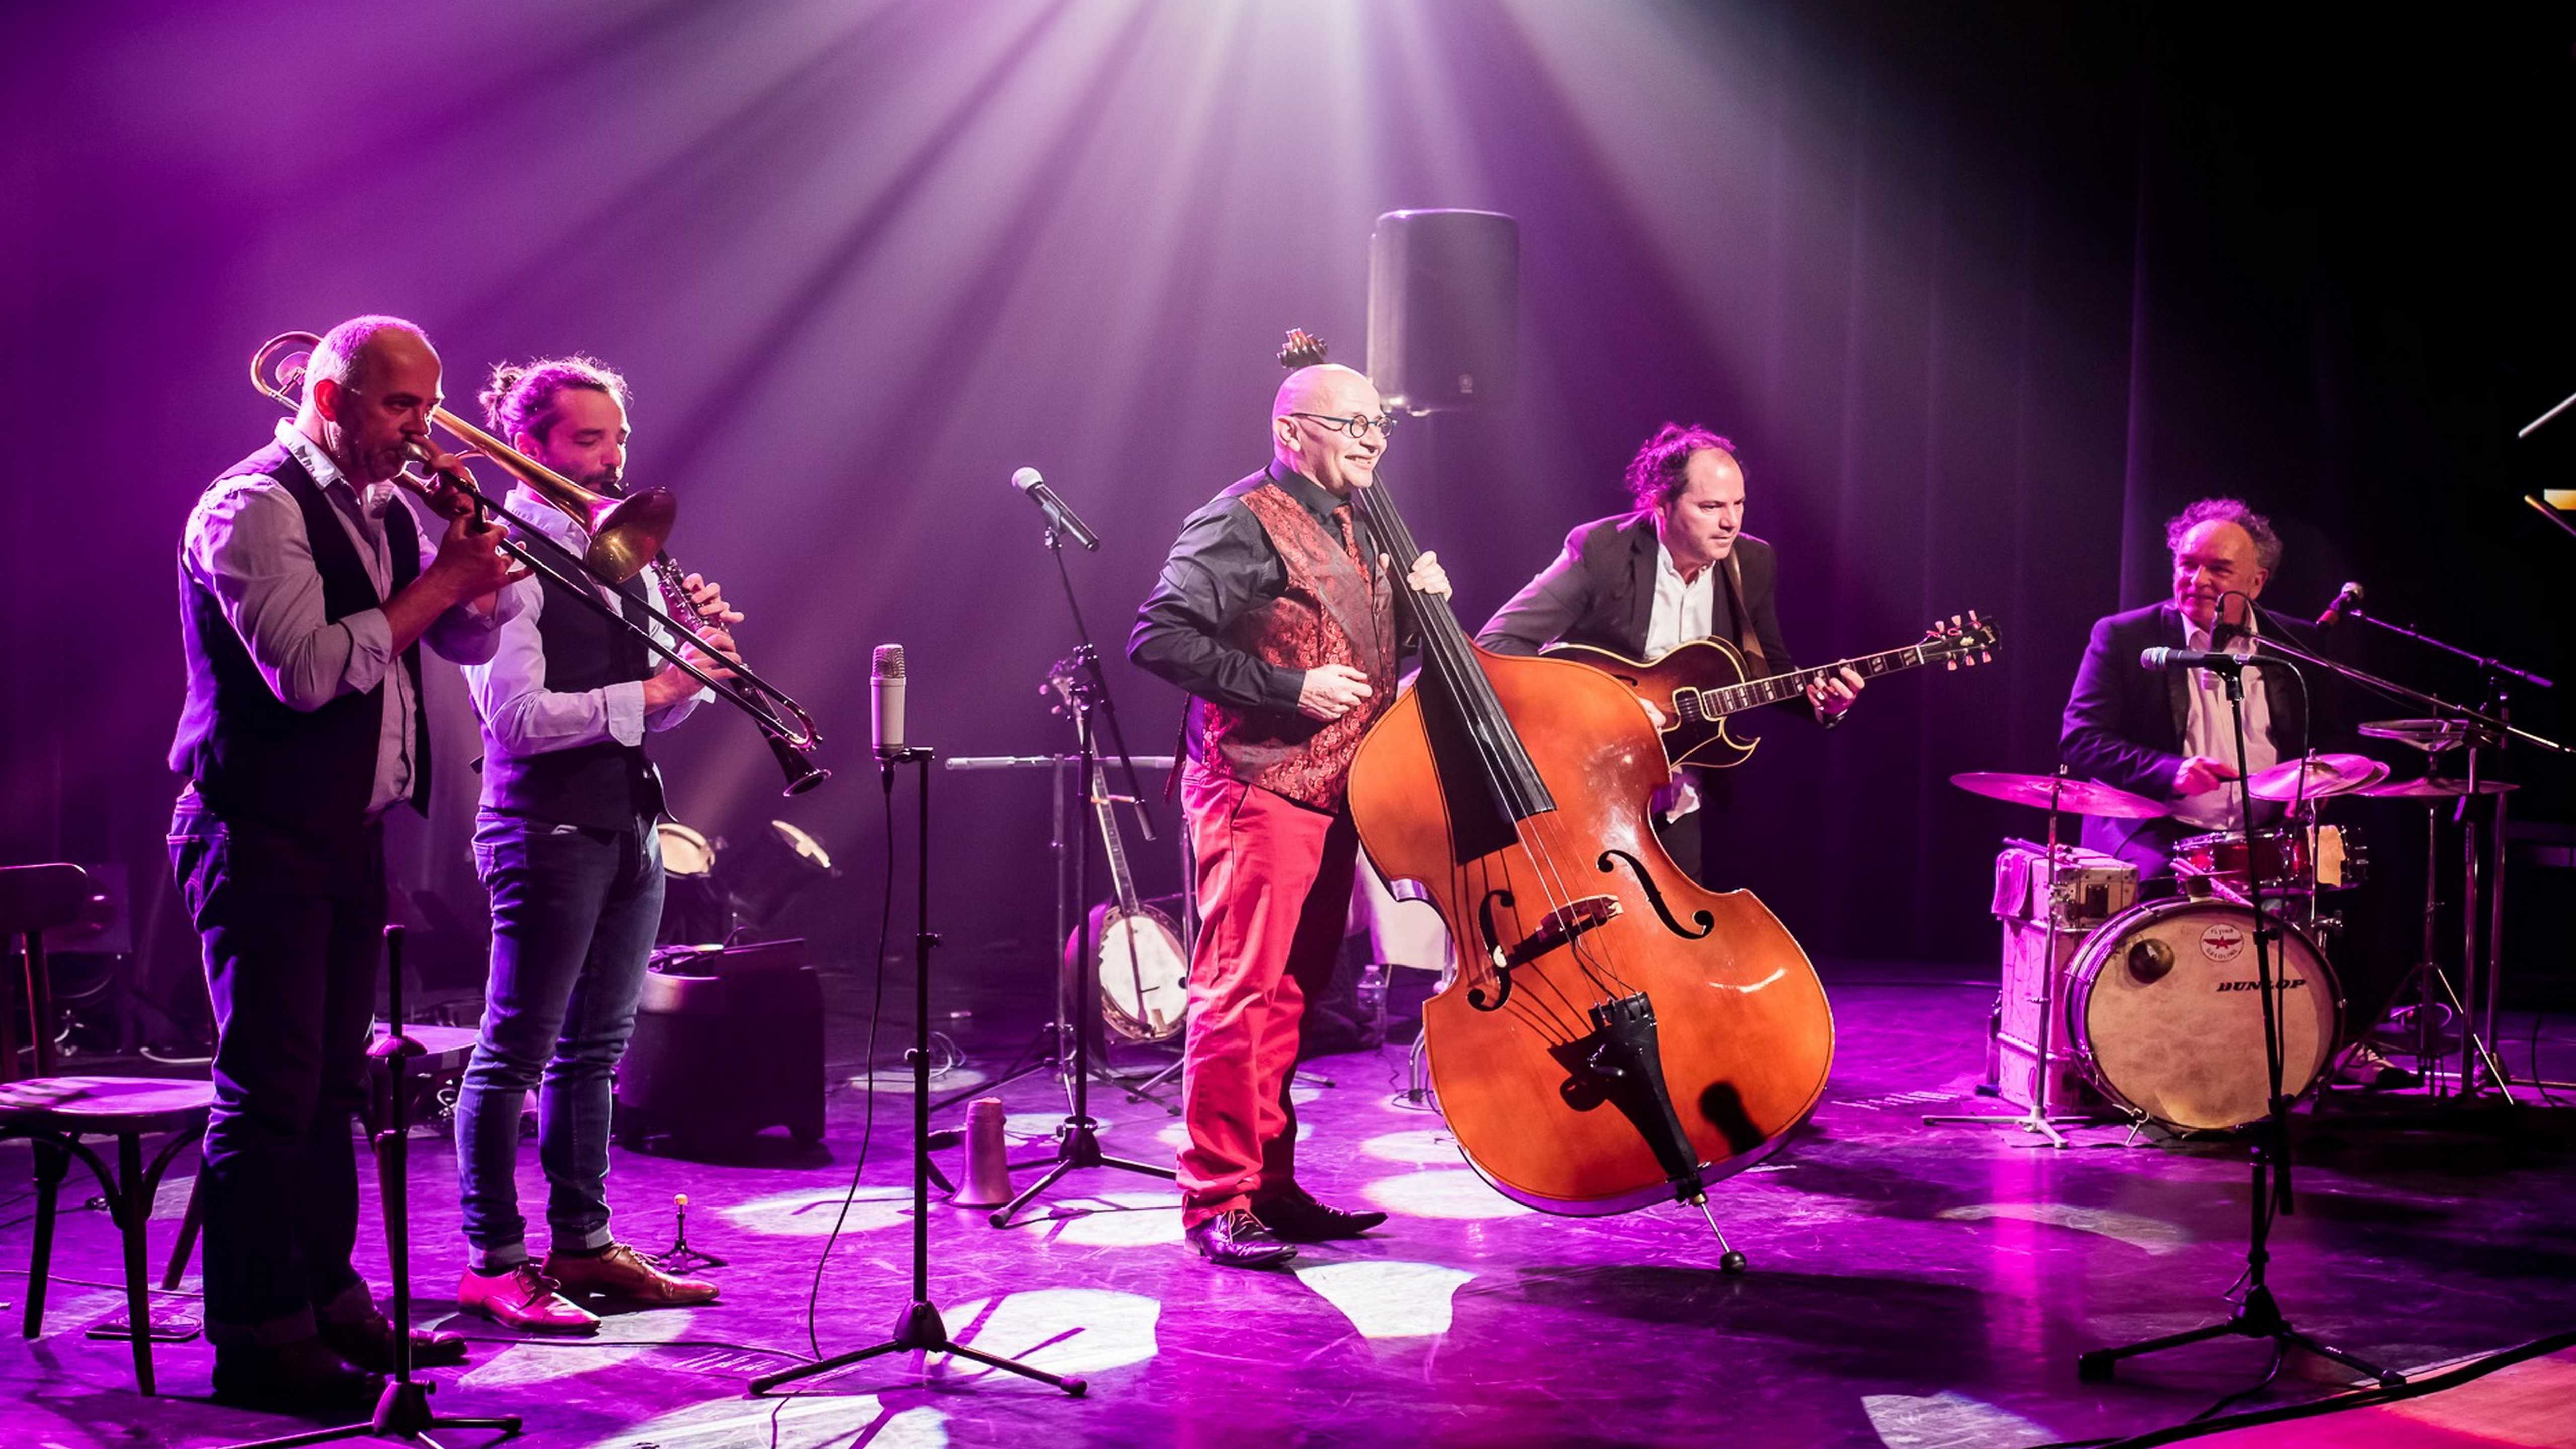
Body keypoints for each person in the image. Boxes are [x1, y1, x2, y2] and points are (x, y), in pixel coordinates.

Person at [169, 315, 522, 1412]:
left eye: (427, 404)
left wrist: (478, 570)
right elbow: (313, 674)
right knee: (268, 1094)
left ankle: (326, 1303)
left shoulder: (375, 511)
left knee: (330, 1089)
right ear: (331, 398)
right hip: (255, 830)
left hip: (340, 835)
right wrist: (437, 581)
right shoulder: (251, 506)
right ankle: (256, 1341)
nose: (424, 432)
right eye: (402, 407)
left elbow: (457, 642)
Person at [1130, 360, 1449, 1268]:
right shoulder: (1239, 519)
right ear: (1293, 431)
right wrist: (1286, 685)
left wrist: (1424, 611)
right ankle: (1217, 1200)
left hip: (1338, 793)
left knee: (1291, 1000)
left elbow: (1367, 652)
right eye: (1353, 423)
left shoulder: (1362, 522)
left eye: (1379, 422)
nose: (1374, 437)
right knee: (1239, 995)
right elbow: (1158, 634)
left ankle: (1267, 1186)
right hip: (1257, 786)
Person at [451, 356, 737, 1332]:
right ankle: (494, 1260)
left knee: (596, 1053)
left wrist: (698, 672)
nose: (613, 458)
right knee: (513, 1057)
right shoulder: (506, 558)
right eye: (588, 439)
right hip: (542, 829)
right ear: (529, 447)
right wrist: (656, 691)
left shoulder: (626, 553)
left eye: (617, 437)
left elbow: (652, 715)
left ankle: (581, 1244)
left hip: (628, 824)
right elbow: (518, 718)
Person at [1477, 423, 1861, 885]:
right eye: (1711, 507)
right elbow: (1499, 642)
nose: (1731, 522)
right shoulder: (1604, 550)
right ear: (1661, 503)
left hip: (1678, 791)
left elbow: (1769, 670)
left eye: (1738, 504)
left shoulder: (1753, 563)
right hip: (1589, 775)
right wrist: (1606, 703)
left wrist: (1823, 705)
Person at [2059, 496, 2303, 886]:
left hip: (2268, 837)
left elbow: (2330, 737)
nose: (2197, 580)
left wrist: (2310, 787)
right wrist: (2171, 772)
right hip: (2157, 832)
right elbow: (2082, 740)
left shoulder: (2294, 643)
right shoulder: (2125, 637)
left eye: (2219, 569)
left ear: (2256, 582)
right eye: (2188, 565)